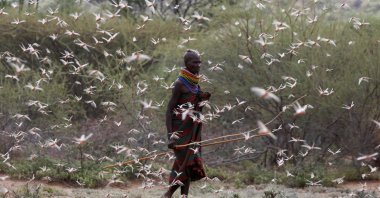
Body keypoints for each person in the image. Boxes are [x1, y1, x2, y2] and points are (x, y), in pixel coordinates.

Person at [162, 49, 211, 198]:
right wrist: (171, 136)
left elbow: (194, 107)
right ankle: (168, 194)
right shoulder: (179, 83)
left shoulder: (195, 83)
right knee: (187, 164)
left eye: (199, 62)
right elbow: (169, 110)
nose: (198, 65)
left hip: (193, 131)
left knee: (186, 166)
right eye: (194, 62)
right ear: (186, 63)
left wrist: (202, 100)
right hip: (180, 133)